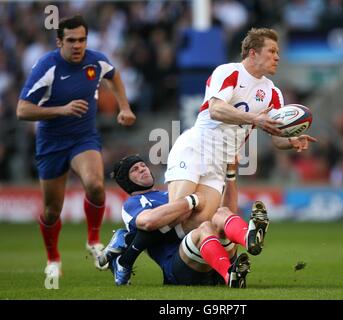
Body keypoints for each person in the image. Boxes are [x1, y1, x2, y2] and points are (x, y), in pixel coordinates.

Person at [16, 15, 136, 280]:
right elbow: (22, 110)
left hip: (83, 138)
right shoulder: (47, 67)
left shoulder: (95, 60)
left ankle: (93, 240)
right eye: (71, 40)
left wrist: (124, 107)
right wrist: (61, 109)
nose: (77, 45)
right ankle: (53, 258)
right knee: (51, 210)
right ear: (59, 41)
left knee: (96, 184)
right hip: (51, 143)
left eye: (82, 39)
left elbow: (113, 75)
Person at [164, 27, 317, 233]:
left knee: (194, 225)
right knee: (175, 217)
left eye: (278, 52)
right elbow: (216, 109)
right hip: (197, 148)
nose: (277, 57)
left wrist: (290, 140)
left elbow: (275, 137)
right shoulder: (229, 72)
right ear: (253, 53)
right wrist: (255, 118)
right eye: (272, 51)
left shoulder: (273, 93)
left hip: (222, 161)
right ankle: (131, 234)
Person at [99, 154, 269, 287]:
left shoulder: (170, 193)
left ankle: (246, 241)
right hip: (178, 267)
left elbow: (229, 212)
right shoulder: (133, 204)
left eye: (143, 165)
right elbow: (148, 221)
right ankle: (228, 272)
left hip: (209, 260)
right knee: (204, 227)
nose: (142, 169)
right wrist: (191, 201)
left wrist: (230, 175)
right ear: (126, 180)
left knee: (221, 212)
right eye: (135, 169)